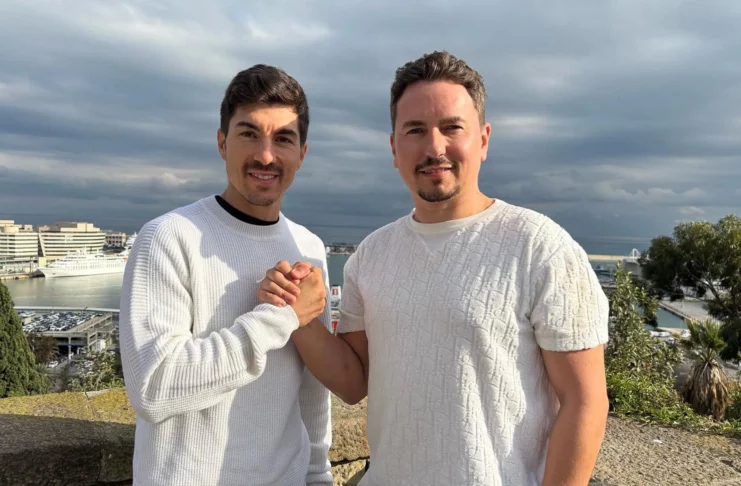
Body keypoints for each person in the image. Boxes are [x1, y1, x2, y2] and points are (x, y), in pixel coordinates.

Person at [257, 51, 610, 485]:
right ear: (394, 147)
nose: (434, 147)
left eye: (451, 128)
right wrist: (296, 313)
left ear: (483, 139)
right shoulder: (371, 255)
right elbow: (353, 382)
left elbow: (585, 402)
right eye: (415, 130)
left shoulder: (539, 246)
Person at [119, 64, 333, 486]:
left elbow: (311, 390)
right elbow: (154, 388)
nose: (266, 155)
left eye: (283, 138)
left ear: (302, 153)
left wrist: (318, 473)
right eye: (249, 134)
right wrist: (280, 318)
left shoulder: (308, 247)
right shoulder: (168, 237)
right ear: (222, 142)